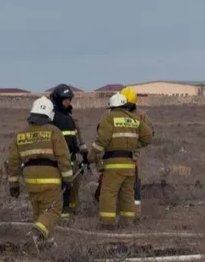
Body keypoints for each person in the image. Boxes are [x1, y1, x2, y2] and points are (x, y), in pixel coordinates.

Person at [7, 96, 74, 250]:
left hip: (30, 178)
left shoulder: (21, 134)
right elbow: (63, 157)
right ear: (49, 114)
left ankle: (45, 245)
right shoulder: (53, 131)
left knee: (39, 211)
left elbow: (13, 162)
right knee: (53, 210)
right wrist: (68, 178)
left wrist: (14, 185)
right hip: (49, 176)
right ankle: (36, 234)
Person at [90, 93, 153, 228]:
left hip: (114, 164)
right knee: (127, 194)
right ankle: (127, 223)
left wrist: (91, 156)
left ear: (111, 106)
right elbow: (148, 137)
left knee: (108, 193)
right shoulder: (134, 118)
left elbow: (101, 140)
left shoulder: (109, 117)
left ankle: (107, 224)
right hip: (130, 165)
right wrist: (134, 145)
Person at [48, 84, 88, 220]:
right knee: (61, 191)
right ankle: (60, 218)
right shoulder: (51, 118)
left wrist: (85, 155)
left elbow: (77, 138)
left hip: (72, 160)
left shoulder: (70, 118)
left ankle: (70, 213)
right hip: (57, 162)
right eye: (64, 100)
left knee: (72, 189)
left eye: (69, 100)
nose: (67, 102)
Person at [120, 86, 154, 218]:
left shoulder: (140, 115)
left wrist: (136, 144)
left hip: (132, 156)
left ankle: (136, 213)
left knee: (134, 184)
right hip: (115, 155)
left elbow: (149, 134)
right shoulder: (113, 114)